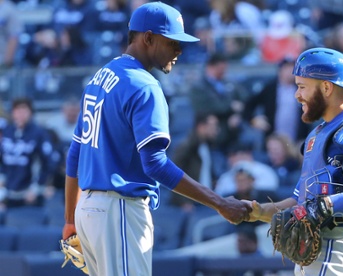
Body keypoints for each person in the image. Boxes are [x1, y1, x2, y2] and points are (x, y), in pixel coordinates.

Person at [61, 3, 251, 276]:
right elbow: (155, 165)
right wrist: (219, 203)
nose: (179, 50)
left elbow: (75, 154)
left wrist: (70, 218)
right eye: (172, 42)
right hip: (120, 210)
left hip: (88, 211)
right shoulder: (144, 85)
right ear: (148, 38)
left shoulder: (99, 78)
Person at [244, 48, 343, 276]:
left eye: (302, 86)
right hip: (320, 249)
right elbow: (301, 200)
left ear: (326, 87)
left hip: (342, 249)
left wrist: (326, 206)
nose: (297, 95)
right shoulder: (317, 134)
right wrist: (257, 211)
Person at [0, 98, 56, 208]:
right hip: (7, 192)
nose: (21, 114)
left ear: (30, 113)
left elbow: (49, 162)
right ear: (12, 113)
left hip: (30, 194)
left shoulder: (39, 133)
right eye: (17, 110)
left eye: (24, 110)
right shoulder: (7, 131)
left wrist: (38, 187)